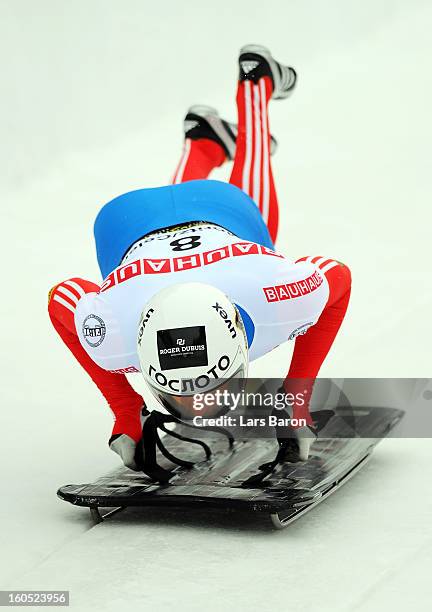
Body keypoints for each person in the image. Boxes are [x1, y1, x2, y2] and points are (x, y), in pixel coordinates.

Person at [48, 45, 351, 471]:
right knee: (235, 218)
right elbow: (337, 274)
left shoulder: (270, 294)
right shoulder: (115, 329)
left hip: (152, 216)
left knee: (248, 220)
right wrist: (294, 398)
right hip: (130, 220)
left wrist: (124, 408)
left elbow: (60, 296)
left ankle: (237, 109)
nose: (199, 407)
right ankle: (222, 126)